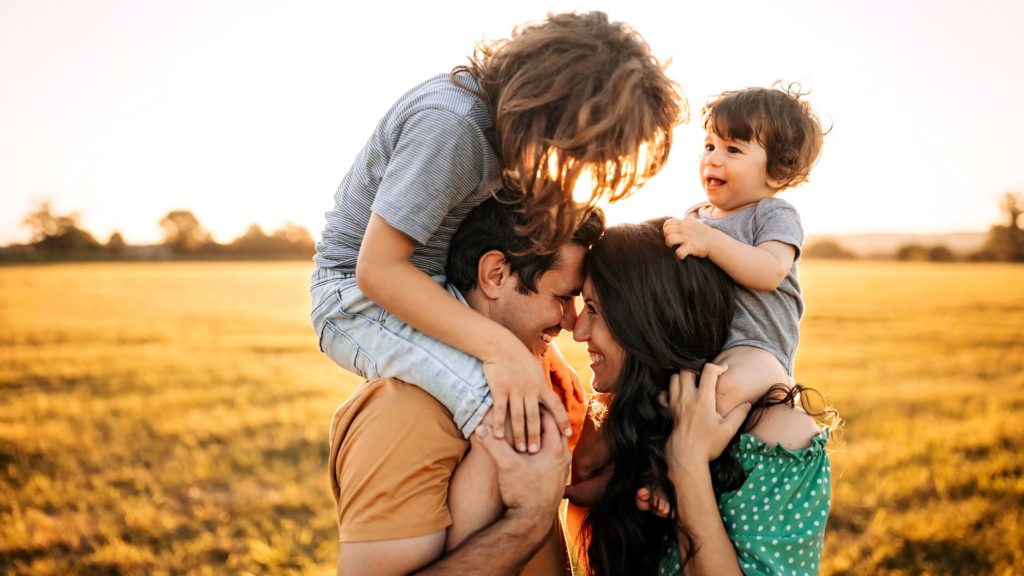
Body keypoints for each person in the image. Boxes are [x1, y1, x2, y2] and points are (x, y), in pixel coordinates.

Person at [312, 11, 682, 456]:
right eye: (584, 148)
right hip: (356, 297)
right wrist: (502, 352)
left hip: (430, 287)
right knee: (506, 412)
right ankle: (501, 523)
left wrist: (530, 354)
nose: (580, 163)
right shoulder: (453, 127)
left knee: (553, 391)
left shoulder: (501, 131)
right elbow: (377, 270)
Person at [326, 196, 605, 575]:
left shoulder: (524, 387)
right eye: (561, 298)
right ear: (495, 274)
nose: (571, 324)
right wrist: (528, 522)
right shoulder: (405, 414)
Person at [568, 220, 833, 575]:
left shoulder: (778, 436)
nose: (578, 331)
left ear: (647, 320)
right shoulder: (630, 417)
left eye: (595, 309)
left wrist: (687, 463)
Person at [662, 84, 825, 411]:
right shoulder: (695, 217)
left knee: (723, 389)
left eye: (732, 150)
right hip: (701, 347)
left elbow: (769, 271)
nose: (713, 159)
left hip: (755, 349)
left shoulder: (772, 214)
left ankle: (696, 452)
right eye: (709, 146)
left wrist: (709, 242)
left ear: (779, 172)